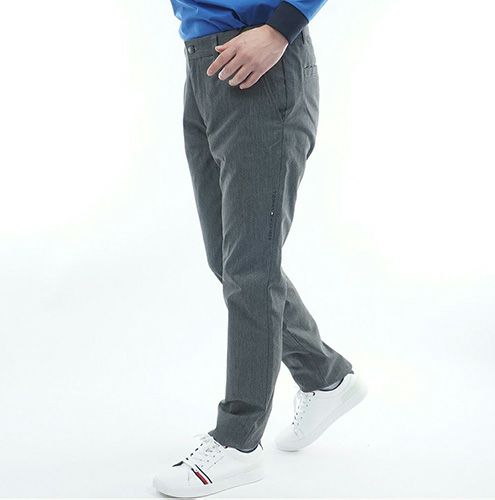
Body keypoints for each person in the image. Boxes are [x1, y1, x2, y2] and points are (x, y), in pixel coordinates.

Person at [153, 1, 367, 497]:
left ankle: (239, 442)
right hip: (203, 64)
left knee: (250, 268)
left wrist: (281, 28)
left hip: (260, 64)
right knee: (230, 260)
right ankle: (325, 377)